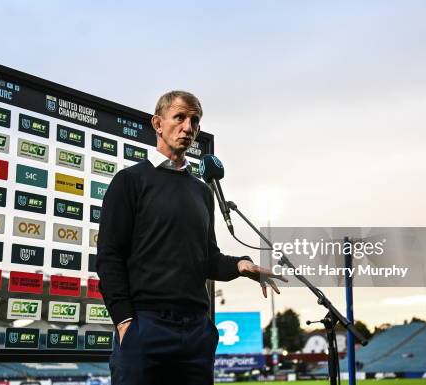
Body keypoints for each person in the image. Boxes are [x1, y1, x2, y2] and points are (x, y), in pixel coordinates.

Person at [96, 90, 286, 385]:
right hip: (146, 327)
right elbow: (109, 256)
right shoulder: (129, 181)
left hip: (196, 332)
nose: (188, 127)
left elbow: (207, 259)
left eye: (195, 120)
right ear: (158, 123)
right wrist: (125, 322)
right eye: (180, 117)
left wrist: (241, 265)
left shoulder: (201, 191)